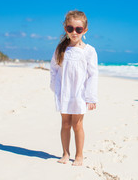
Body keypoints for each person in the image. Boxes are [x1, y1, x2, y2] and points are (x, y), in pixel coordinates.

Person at [50, 10, 98, 166]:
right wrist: (56, 89)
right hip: (64, 92)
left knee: (77, 125)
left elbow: (93, 75)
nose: (74, 32)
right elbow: (54, 70)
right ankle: (65, 153)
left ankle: (79, 155)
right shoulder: (61, 49)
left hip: (80, 93)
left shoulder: (89, 51)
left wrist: (91, 97)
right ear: (66, 29)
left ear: (85, 30)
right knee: (65, 123)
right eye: (70, 29)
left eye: (78, 29)